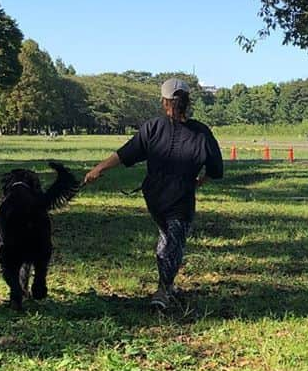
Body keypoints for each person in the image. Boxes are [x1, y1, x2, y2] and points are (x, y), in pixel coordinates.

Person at [83, 78, 223, 308]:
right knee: (172, 242)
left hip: (155, 197)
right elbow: (216, 169)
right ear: (187, 103)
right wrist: (200, 181)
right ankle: (163, 290)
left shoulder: (152, 127)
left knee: (168, 238)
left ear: (164, 102)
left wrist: (99, 168)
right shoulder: (201, 133)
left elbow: (126, 153)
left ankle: (167, 285)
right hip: (181, 196)